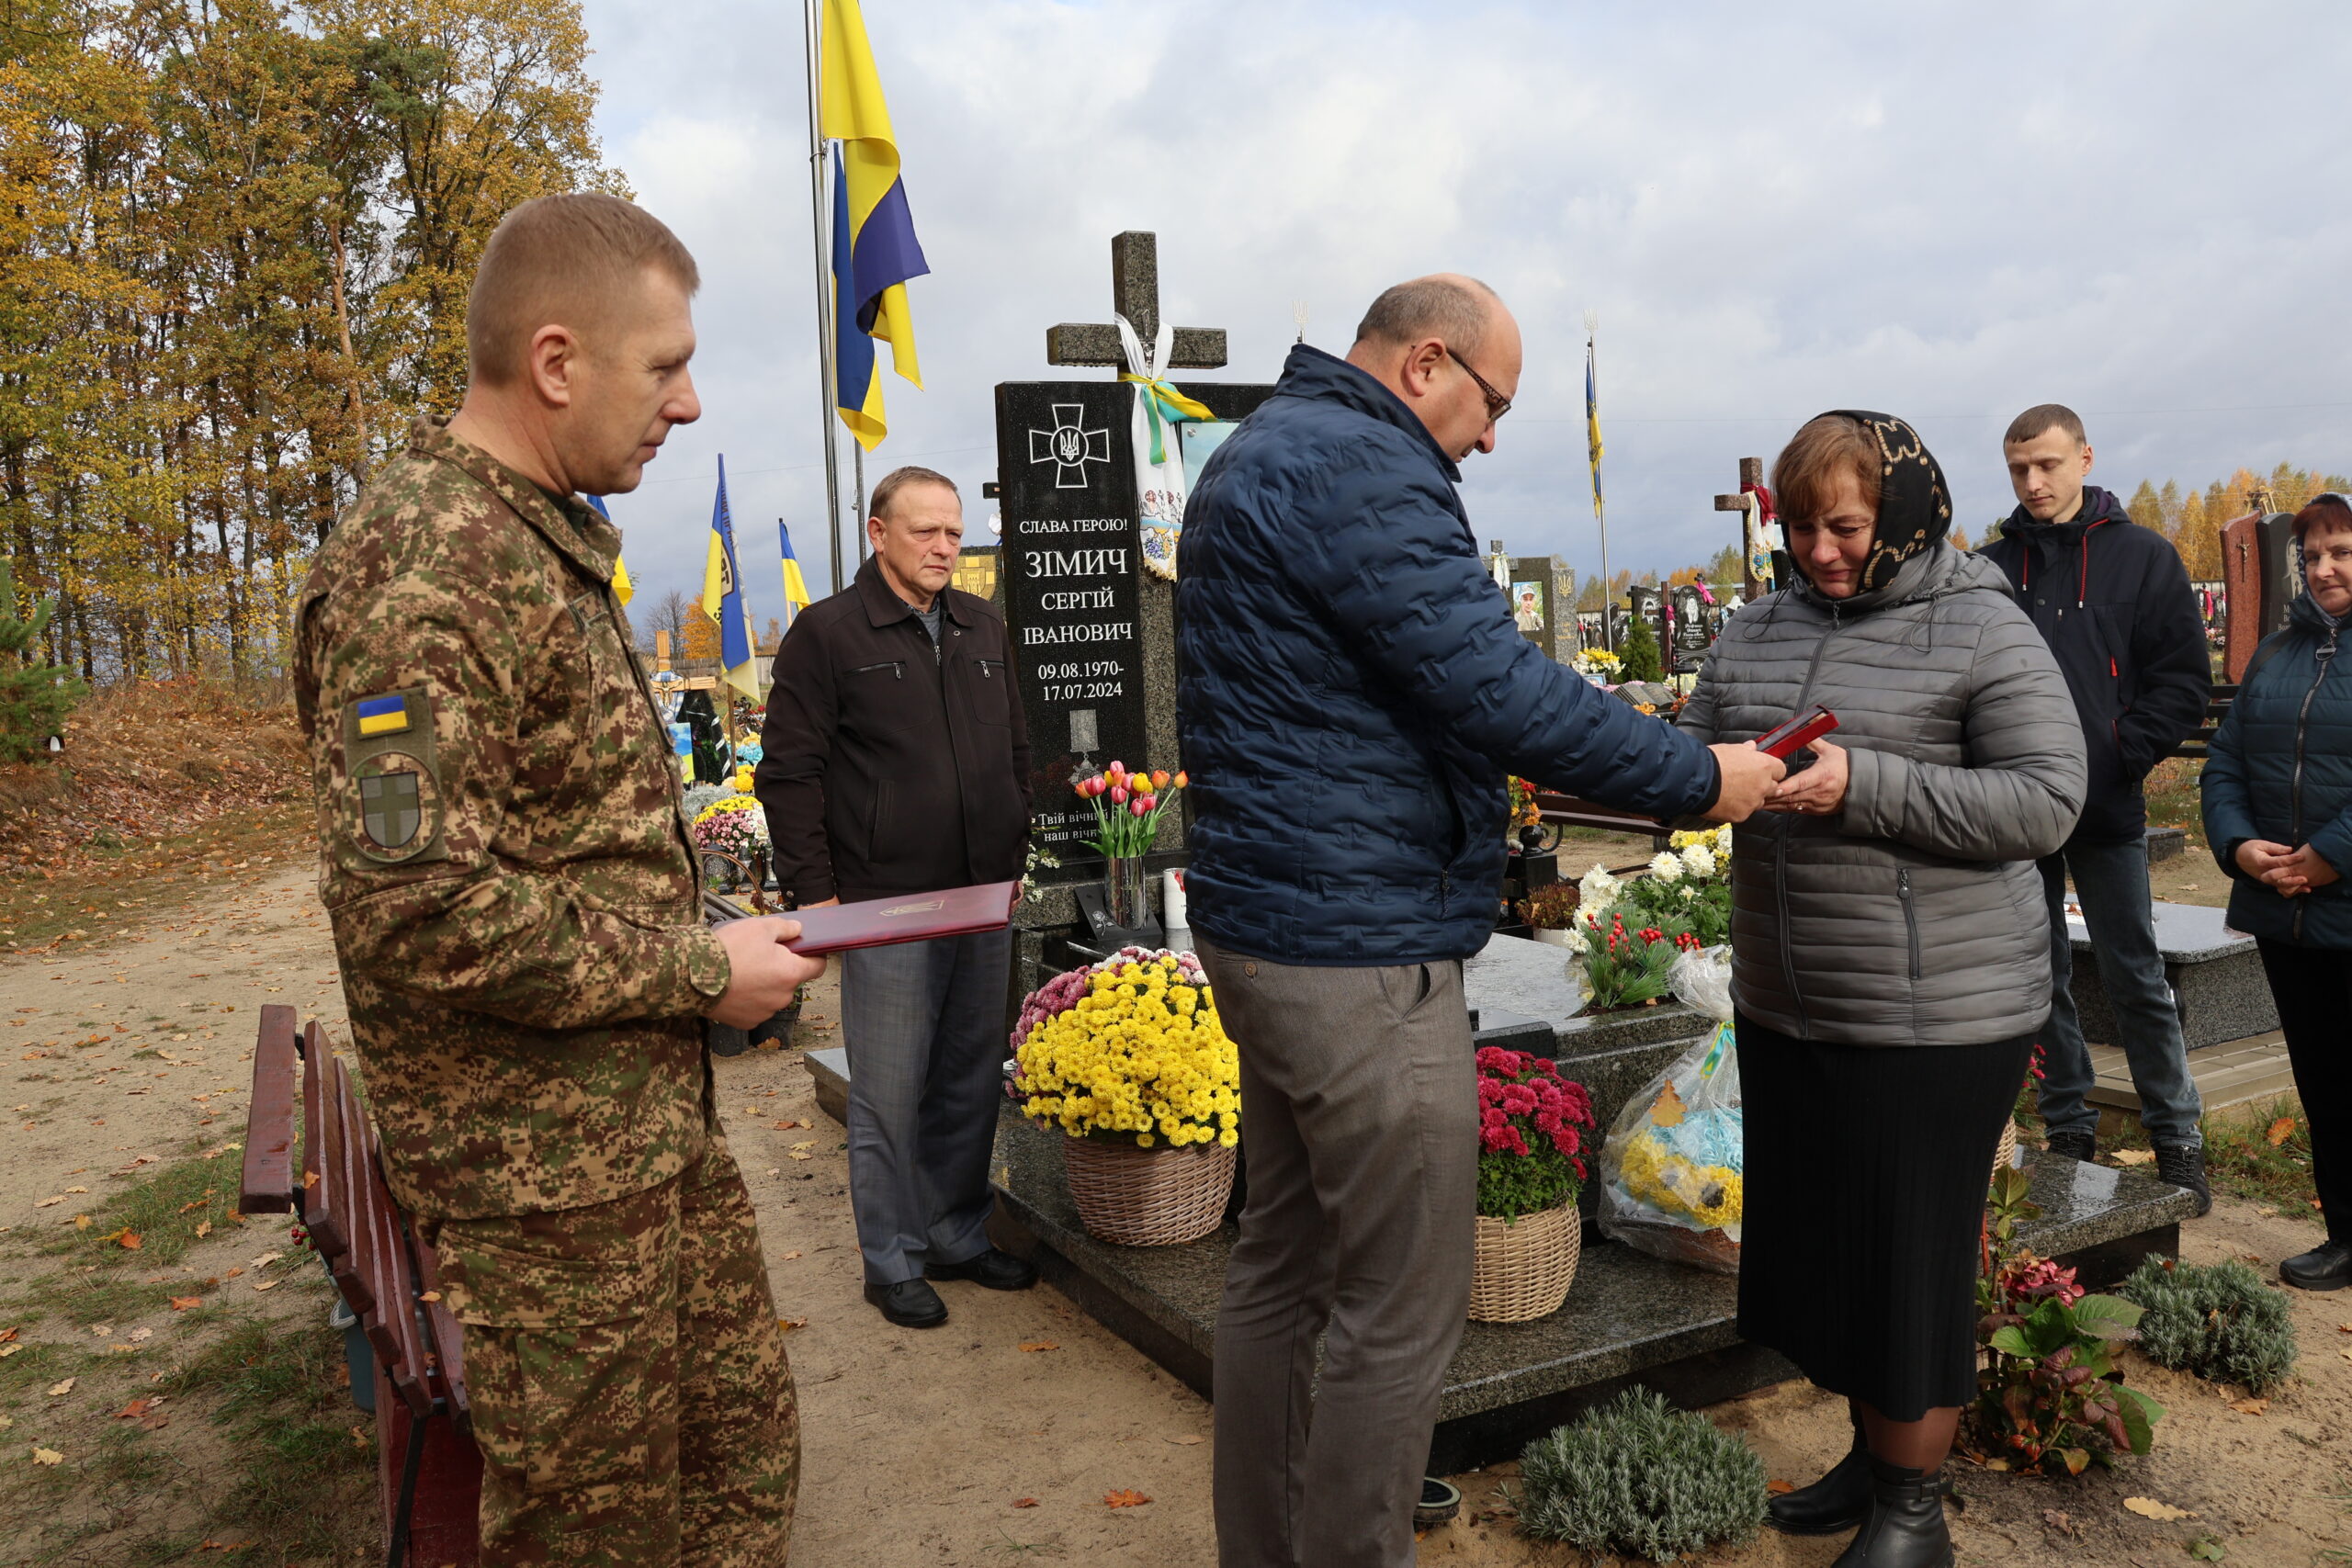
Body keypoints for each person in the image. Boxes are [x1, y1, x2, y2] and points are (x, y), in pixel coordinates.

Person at [1174, 275, 1784, 1568]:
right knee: (1401, 1301)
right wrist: (1700, 775)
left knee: (1284, 1262)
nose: (1493, 437)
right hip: (1353, 941)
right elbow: (1498, 686)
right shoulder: (1363, 466)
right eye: (1492, 403)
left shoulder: (1258, 449)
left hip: (1268, 919)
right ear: (1424, 362)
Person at [294, 193, 824, 1563]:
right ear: (554, 363)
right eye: (666, 366)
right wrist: (700, 967)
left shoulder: (531, 534)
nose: (692, 402)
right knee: (598, 1534)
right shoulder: (431, 561)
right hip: (547, 1194)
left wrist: (700, 927)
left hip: (635, 1143)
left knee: (735, 1476)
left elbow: (556, 840)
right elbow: (423, 906)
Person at [1679, 412, 2086, 1567]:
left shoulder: (1978, 625)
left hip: (1940, 1015)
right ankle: (1874, 1463)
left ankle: (1914, 1513)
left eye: (1844, 527)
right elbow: (1695, 752)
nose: (1818, 551)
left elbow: (2044, 800)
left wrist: (1864, 783)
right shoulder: (1756, 628)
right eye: (1801, 527)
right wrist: (1674, 774)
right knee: (1836, 1255)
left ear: (1902, 517)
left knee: (1906, 1264)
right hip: (1792, 999)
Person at [756, 466, 1037, 1329]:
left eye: (953, 532)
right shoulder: (829, 633)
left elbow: (1016, 749)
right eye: (926, 532)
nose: (945, 547)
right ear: (878, 534)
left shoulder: (985, 625)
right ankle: (892, 1259)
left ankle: (954, 1231)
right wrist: (821, 897)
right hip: (886, 906)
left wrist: (1015, 846)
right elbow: (789, 773)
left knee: (966, 1079)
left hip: (980, 897)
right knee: (888, 1088)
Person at [1980, 405, 2212, 1208]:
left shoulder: (2143, 559)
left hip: (2105, 805)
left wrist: (2118, 752)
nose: (2033, 482)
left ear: (2084, 457)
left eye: (2046, 464)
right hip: (2012, 806)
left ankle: (2176, 1135)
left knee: (2133, 972)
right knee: (2038, 973)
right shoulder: (1990, 568)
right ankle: (2068, 1123)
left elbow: (2181, 682)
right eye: (2018, 469)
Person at [2199, 492, 2352, 1291]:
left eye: (2343, 552)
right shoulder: (2278, 651)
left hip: (2343, 893)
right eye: (2314, 554)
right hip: (2288, 910)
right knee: (2325, 1079)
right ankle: (2345, 1233)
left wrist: (2333, 853)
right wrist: (2238, 845)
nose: (2325, 569)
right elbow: (2225, 760)